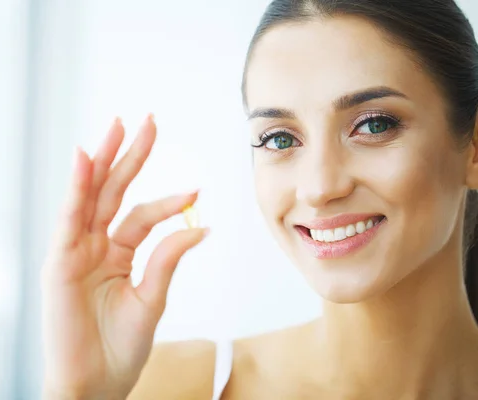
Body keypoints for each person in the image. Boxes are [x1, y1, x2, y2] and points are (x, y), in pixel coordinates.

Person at [40, 0, 478, 398]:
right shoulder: (173, 387)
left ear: (472, 147)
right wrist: (80, 393)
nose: (319, 187)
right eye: (280, 138)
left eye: (375, 125)